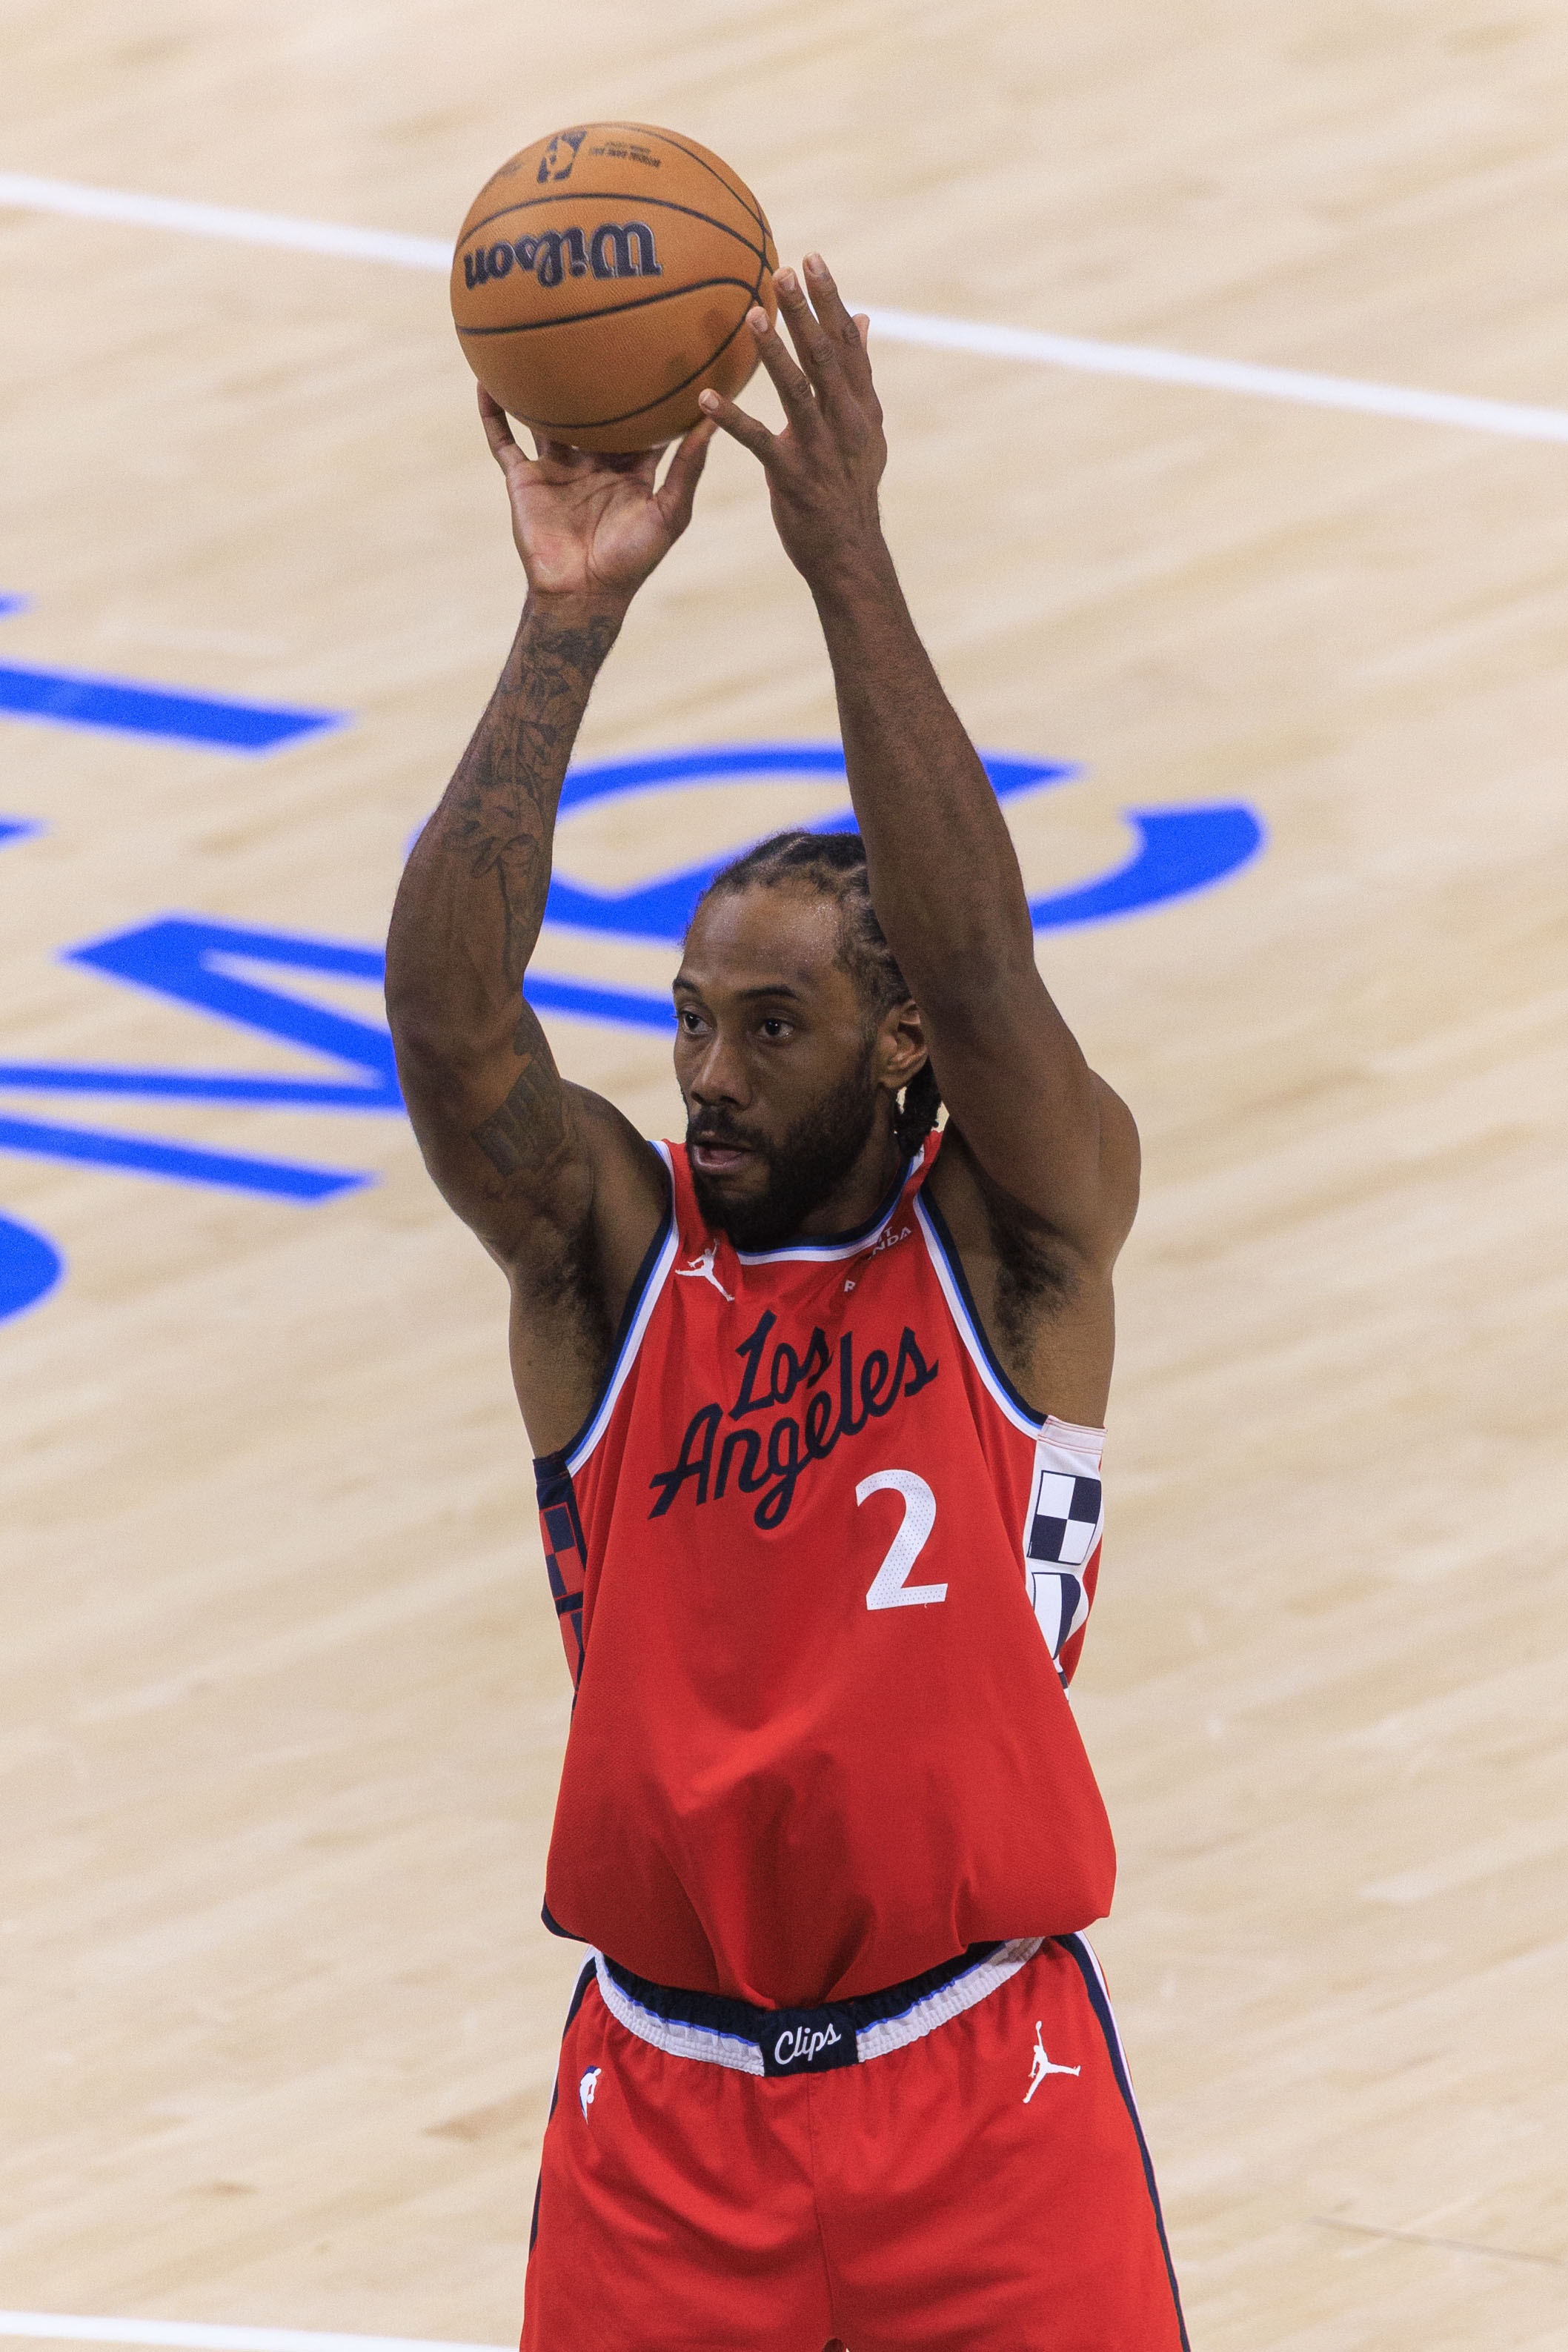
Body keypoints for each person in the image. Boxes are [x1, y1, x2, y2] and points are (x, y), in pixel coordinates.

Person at [385, 254, 1186, 2352]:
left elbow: (987, 966)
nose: (708, 1076)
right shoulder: (613, 1262)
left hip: (982, 2087)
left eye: (770, 1027)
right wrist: (567, 623)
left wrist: (845, 564)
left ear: (899, 1043)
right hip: (665, 2109)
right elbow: (452, 1033)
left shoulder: (1016, 1244)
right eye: (687, 1022)